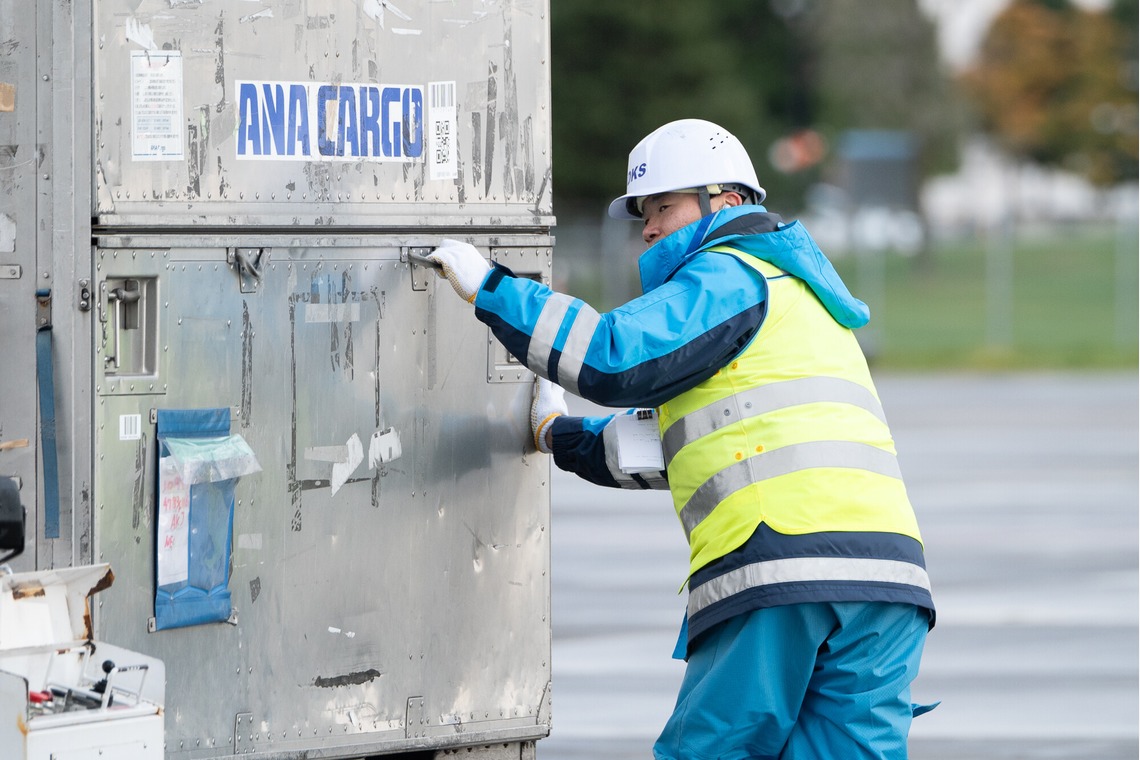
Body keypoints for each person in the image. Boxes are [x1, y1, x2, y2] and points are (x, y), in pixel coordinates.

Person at [429, 118, 935, 760]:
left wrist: (492, 289)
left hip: (782, 567)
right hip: (890, 586)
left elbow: (613, 358)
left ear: (725, 202)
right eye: (644, 213)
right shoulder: (801, 302)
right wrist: (557, 435)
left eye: (664, 206)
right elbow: (677, 447)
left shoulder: (732, 274)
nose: (648, 227)